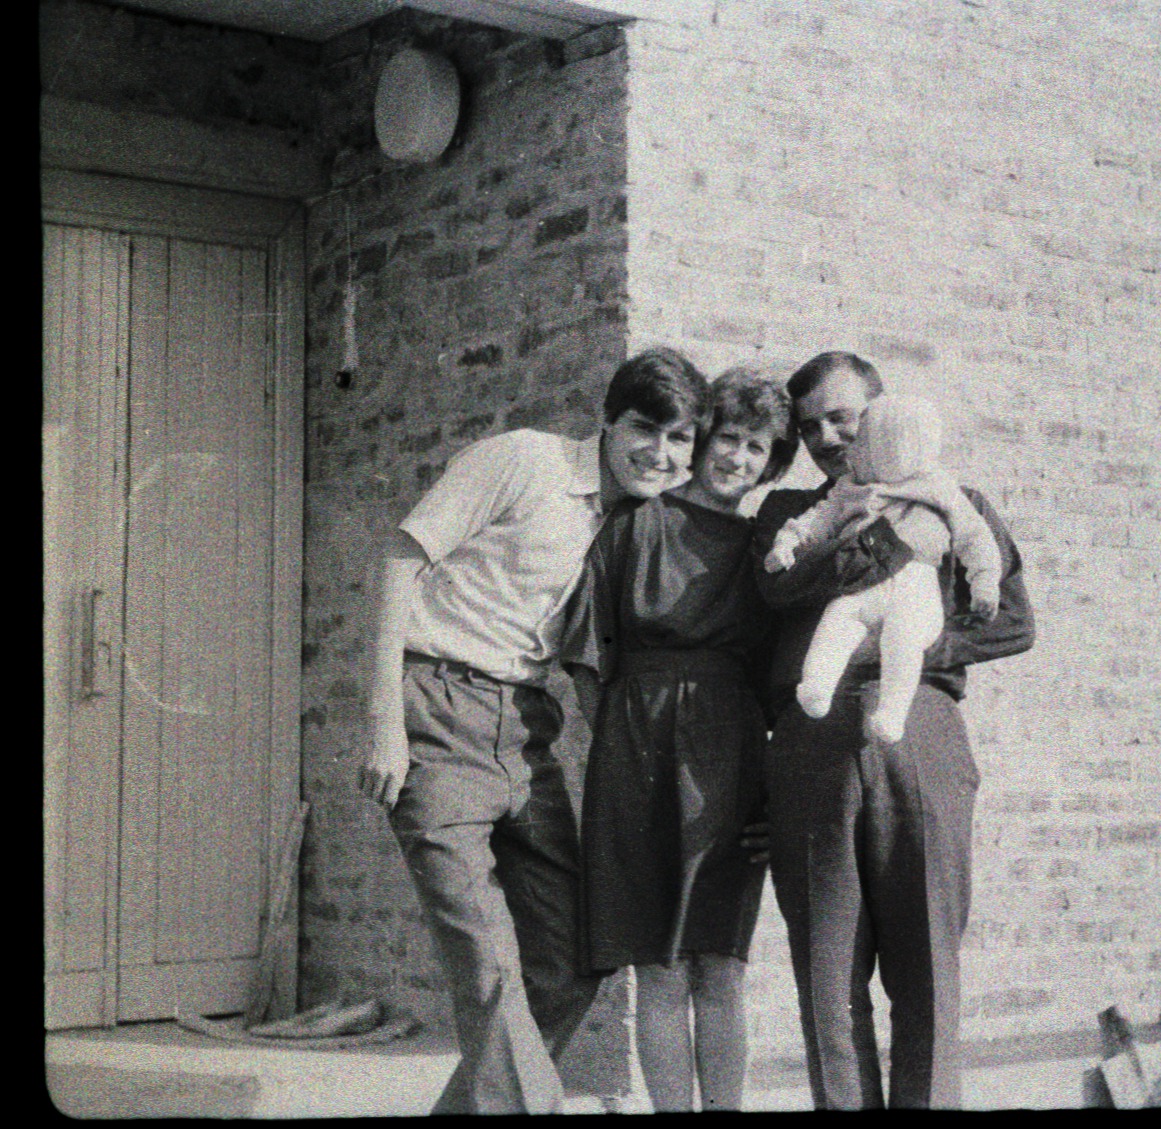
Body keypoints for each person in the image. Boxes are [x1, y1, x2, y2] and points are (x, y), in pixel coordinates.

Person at [356, 347, 709, 1114]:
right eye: (645, 428)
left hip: (525, 731)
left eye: (679, 437)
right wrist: (383, 719)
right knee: (487, 962)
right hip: (435, 712)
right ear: (607, 421)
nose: (659, 451)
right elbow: (400, 557)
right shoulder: (524, 459)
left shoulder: (635, 526)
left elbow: (590, 664)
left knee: (574, 954)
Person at [754, 351, 1036, 1110]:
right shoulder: (788, 517)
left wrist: (912, 648)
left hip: (920, 731)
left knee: (927, 969)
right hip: (811, 742)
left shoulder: (955, 501)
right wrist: (873, 535)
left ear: (881, 410)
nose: (826, 437)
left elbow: (1012, 621)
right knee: (828, 981)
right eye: (809, 426)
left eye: (841, 417)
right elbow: (776, 592)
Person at [559, 369, 797, 1112]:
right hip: (634, 755)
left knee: (720, 965)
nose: (737, 458)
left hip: (731, 765)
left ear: (773, 461)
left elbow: (781, 680)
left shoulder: (766, 549)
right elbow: (586, 659)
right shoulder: (638, 524)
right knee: (658, 969)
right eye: (727, 437)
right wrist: (623, 753)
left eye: (757, 448)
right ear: (702, 438)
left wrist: (769, 789)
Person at [763, 392, 1001, 743]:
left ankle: (892, 712)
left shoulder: (939, 488)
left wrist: (985, 584)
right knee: (838, 621)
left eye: (860, 436)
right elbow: (817, 519)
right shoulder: (851, 487)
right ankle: (816, 687)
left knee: (903, 638)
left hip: (915, 585)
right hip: (862, 590)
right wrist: (786, 544)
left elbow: (974, 537)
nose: (851, 447)